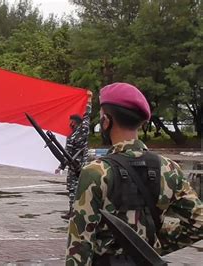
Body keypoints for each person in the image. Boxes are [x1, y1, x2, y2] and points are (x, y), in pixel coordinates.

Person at [65, 82, 203, 265]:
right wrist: (150, 247)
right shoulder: (168, 168)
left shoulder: (96, 172)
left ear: (106, 121)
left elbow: (80, 247)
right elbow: (199, 223)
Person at [57, 91, 92, 220]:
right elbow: (67, 153)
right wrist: (61, 166)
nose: (69, 124)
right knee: (76, 189)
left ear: (75, 122)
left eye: (71, 121)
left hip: (78, 165)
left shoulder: (78, 133)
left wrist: (88, 100)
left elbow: (87, 116)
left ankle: (77, 211)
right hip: (78, 165)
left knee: (76, 189)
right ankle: (74, 211)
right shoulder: (77, 132)